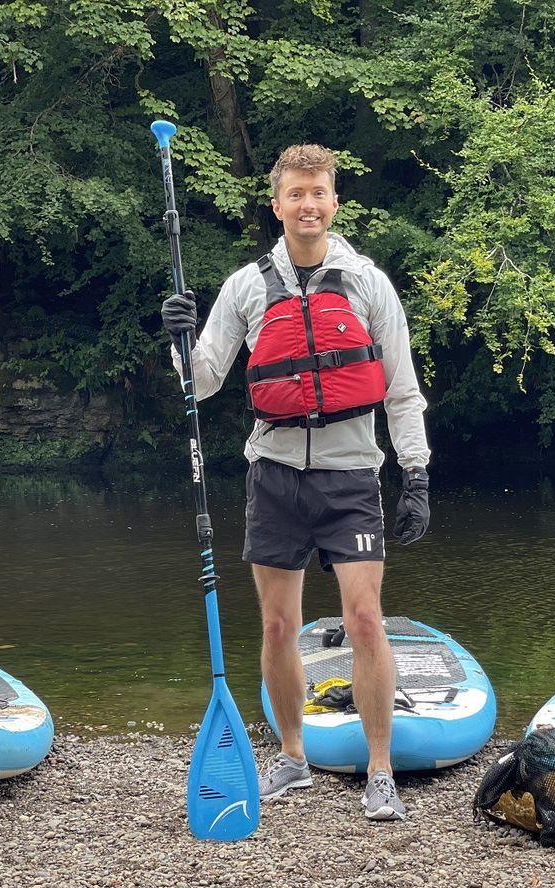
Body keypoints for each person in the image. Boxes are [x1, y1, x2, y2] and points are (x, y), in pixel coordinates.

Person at [160, 144, 431, 821]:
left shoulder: (367, 282)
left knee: (364, 619)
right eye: (296, 194)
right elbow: (200, 380)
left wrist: (416, 471)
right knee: (279, 625)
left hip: (351, 478)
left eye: (319, 193)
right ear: (277, 205)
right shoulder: (247, 287)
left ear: (334, 203)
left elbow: (401, 391)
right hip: (274, 476)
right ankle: (292, 756)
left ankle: (378, 770)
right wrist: (176, 340)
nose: (308, 205)